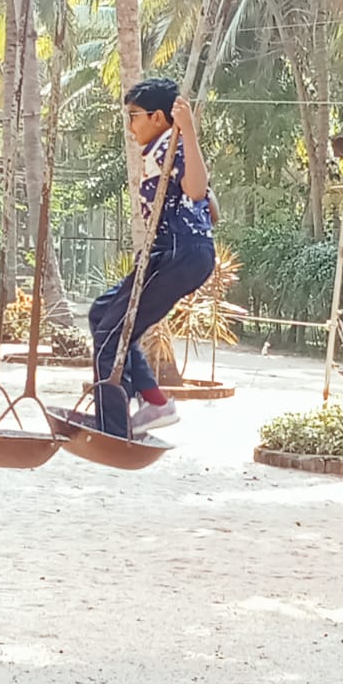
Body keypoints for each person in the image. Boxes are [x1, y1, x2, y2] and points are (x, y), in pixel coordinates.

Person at [89, 77, 216, 438]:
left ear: (157, 117)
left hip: (177, 252)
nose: (131, 127)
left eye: (134, 116)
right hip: (182, 252)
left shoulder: (171, 144)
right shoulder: (165, 147)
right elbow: (211, 209)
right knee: (103, 314)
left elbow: (196, 191)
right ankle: (154, 400)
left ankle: (113, 430)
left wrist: (188, 131)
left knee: (111, 333)